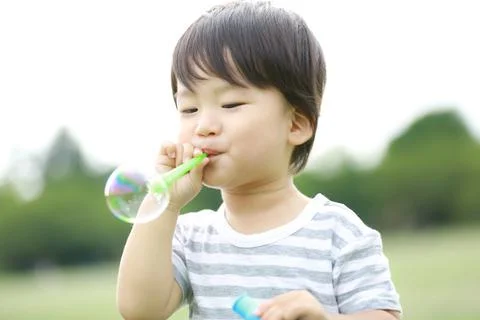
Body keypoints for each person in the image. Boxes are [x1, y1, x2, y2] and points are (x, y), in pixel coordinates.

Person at [116, 1, 402, 319]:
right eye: (189, 109)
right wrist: (165, 204)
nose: (203, 126)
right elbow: (139, 310)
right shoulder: (191, 238)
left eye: (231, 103)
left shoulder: (339, 233)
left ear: (295, 124)